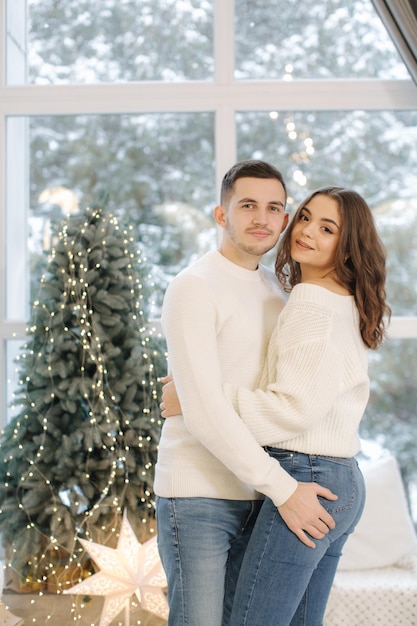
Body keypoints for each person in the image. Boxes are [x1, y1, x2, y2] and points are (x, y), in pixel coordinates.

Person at [162, 185, 391, 625]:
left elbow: (290, 412)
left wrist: (198, 396)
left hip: (307, 474)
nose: (306, 231)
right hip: (341, 478)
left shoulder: (310, 302)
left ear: (347, 247)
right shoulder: (340, 301)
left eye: (327, 228)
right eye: (305, 217)